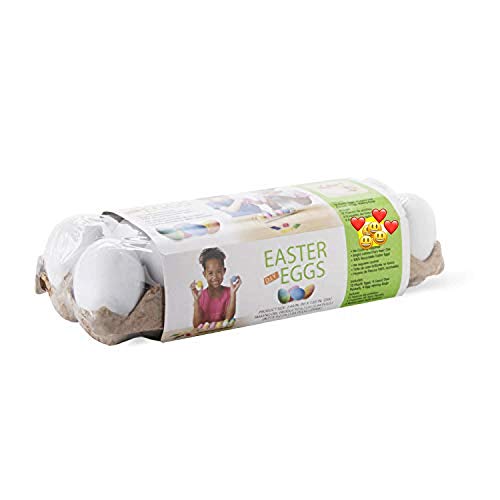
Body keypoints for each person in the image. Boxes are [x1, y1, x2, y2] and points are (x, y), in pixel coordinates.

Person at [191, 247, 242, 328]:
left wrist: (233, 293)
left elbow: (228, 319)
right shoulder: (200, 296)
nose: (215, 277)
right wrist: (196, 301)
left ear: (224, 271)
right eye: (210, 273)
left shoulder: (229, 292)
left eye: (218, 272)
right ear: (204, 274)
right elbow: (196, 325)